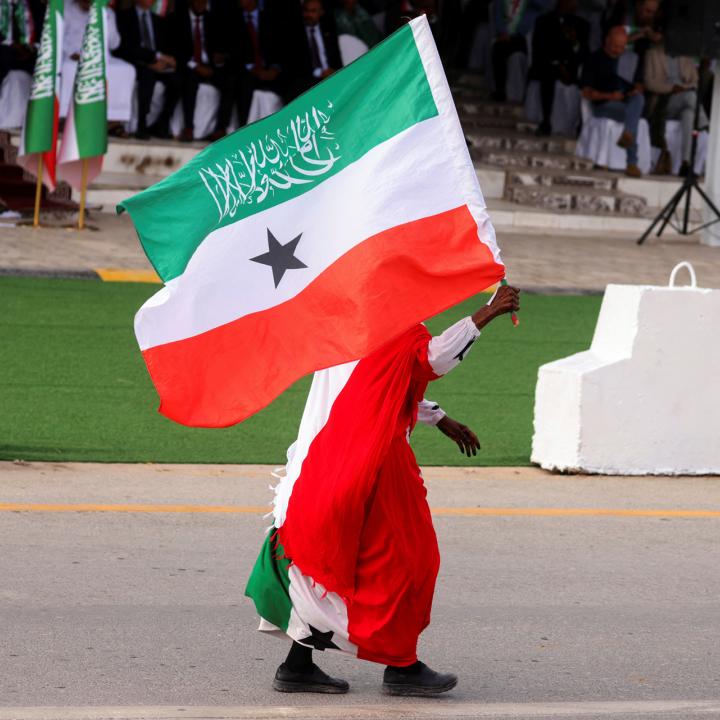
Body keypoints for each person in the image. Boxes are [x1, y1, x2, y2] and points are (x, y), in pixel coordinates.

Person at [246, 284, 521, 696]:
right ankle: (401, 665)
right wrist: (488, 311)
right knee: (410, 559)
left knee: (342, 559)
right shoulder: (391, 323)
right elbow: (430, 360)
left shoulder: (355, 320)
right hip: (372, 464)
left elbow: (387, 381)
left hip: (330, 462)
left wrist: (440, 418)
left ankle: (298, 664)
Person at [580, 25, 644, 177]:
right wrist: (609, 96)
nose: (617, 50)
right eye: (615, 46)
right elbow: (586, 92)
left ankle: (627, 134)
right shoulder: (594, 59)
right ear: (607, 40)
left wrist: (636, 89)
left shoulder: (630, 59)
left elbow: (639, 84)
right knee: (632, 116)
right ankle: (632, 162)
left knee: (639, 99)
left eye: (621, 47)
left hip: (626, 101)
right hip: (604, 105)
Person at [61, 0, 136, 130]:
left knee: (127, 70)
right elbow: (58, 37)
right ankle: (65, 117)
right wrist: (72, 53)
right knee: (69, 69)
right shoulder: (66, 8)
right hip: (71, 55)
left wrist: (104, 17)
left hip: (100, 57)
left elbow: (114, 44)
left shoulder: (108, 13)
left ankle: (113, 118)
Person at [166, 0, 234, 142]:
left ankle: (220, 129)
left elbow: (222, 47)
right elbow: (174, 50)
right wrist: (195, 66)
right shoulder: (177, 18)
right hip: (188, 66)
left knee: (230, 81)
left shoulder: (213, 19)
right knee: (190, 81)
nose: (201, 4)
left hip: (209, 67)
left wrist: (220, 58)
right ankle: (189, 128)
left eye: (204, 1)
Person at [114, 0, 180, 140]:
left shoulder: (158, 21)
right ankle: (142, 123)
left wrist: (167, 61)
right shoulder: (123, 16)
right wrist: (151, 60)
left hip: (158, 64)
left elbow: (164, 47)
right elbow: (125, 47)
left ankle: (162, 122)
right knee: (147, 75)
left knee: (177, 79)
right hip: (136, 63)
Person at [644, 43, 708, 176]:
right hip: (663, 101)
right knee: (691, 96)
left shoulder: (685, 55)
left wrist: (683, 87)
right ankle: (705, 125)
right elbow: (649, 82)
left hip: (684, 99)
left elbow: (695, 80)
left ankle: (685, 163)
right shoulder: (652, 53)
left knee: (689, 114)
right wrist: (672, 88)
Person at [531, 0, 590, 136]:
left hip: (572, 69)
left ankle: (580, 126)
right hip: (549, 65)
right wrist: (558, 64)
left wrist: (575, 42)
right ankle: (546, 121)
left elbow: (584, 54)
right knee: (548, 75)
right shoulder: (544, 21)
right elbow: (540, 49)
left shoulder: (582, 25)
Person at [231, 0, 289, 128]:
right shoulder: (232, 19)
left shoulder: (270, 18)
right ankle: (242, 130)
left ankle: (290, 128)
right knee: (241, 82)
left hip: (271, 70)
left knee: (293, 81)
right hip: (246, 71)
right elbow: (232, 52)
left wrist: (275, 68)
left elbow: (282, 48)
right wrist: (252, 69)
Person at [491, 0, 551, 102]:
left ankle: (522, 93)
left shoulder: (530, 4)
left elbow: (546, 7)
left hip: (522, 37)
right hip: (504, 36)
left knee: (520, 49)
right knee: (498, 49)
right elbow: (497, 16)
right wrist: (502, 32)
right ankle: (500, 90)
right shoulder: (502, 2)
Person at [286, 0, 342, 98]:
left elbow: (337, 59)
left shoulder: (329, 32)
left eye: (313, 11)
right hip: (306, 81)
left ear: (321, 13)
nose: (308, 15)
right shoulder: (293, 35)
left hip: (330, 77)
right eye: (306, 11)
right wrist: (320, 73)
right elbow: (294, 66)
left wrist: (333, 72)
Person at [0, 0, 36, 88]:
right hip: (5, 48)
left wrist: (30, 47)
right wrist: (16, 45)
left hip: (29, 49)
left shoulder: (31, 3)